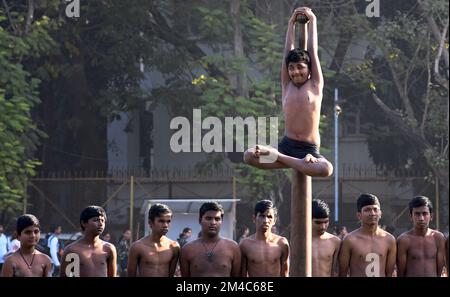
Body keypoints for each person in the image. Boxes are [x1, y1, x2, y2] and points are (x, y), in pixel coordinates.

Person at [243, 6, 333, 179]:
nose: (295, 71)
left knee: (325, 169)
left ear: (309, 69)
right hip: (286, 146)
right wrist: (291, 23)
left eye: (300, 67)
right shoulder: (287, 85)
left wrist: (312, 20)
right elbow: (287, 51)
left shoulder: (315, 84)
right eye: (291, 68)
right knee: (248, 155)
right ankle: (285, 158)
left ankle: (282, 159)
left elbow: (312, 50)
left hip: (309, 149)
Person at [338, 193, 396, 277]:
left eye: (375, 209)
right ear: (359, 215)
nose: (372, 213)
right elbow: (342, 273)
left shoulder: (389, 240)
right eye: (367, 210)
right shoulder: (349, 240)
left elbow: (389, 273)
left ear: (380, 213)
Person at [180, 202, 241, 277]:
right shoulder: (187, 249)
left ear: (221, 221)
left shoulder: (233, 248)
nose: (213, 222)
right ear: (200, 220)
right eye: (208, 218)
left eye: (217, 219)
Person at [60, 205, 117, 277]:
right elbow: (69, 275)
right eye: (96, 220)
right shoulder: (73, 250)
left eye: (103, 220)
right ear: (84, 223)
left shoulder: (109, 249)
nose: (100, 224)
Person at [396, 196, 446, 277]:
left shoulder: (438, 238)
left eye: (425, 213)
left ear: (431, 216)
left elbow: (439, 270)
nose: (421, 218)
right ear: (411, 216)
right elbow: (401, 271)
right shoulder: (404, 240)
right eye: (417, 214)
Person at [239, 200, 289, 277]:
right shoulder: (245, 245)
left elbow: (285, 274)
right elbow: (242, 274)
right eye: (262, 216)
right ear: (254, 218)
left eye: (269, 217)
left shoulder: (281, 243)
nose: (266, 221)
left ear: (274, 220)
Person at [127, 204, 179, 277]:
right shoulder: (137, 247)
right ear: (150, 222)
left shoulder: (174, 247)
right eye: (161, 221)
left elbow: (171, 275)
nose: (165, 225)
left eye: (168, 221)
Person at [311, 199, 340, 277]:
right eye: (318, 222)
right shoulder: (299, 241)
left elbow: (336, 271)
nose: (323, 226)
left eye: (326, 222)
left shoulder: (335, 242)